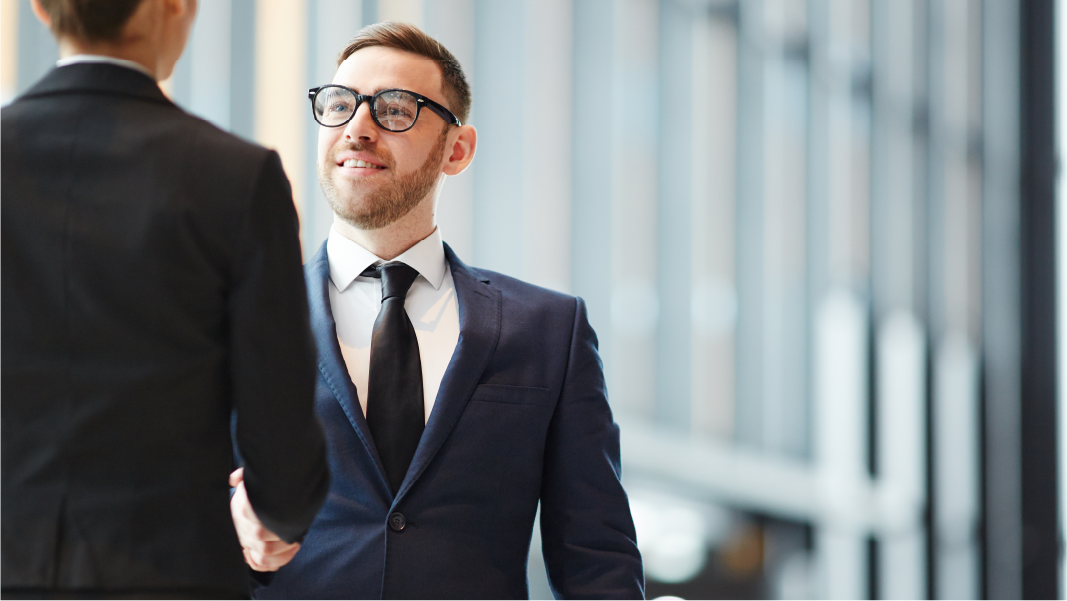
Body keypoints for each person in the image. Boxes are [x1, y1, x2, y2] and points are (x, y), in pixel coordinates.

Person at [230, 21, 644, 601]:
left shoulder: (551, 330)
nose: (358, 128)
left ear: (457, 150)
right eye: (340, 104)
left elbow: (596, 561)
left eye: (395, 109)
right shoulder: (233, 319)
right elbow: (167, 519)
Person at [0, 1, 330, 599]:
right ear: (174, 6)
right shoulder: (237, 176)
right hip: (170, 574)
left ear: (42, 10)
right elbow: (279, 436)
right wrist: (278, 513)